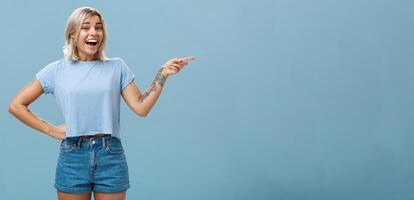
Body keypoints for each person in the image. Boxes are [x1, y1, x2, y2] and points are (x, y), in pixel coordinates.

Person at [8, 6, 195, 200]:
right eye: (85, 27)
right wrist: (50, 130)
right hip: (73, 155)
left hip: (110, 155)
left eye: (98, 27)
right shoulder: (56, 70)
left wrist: (162, 75)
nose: (93, 32)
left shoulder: (116, 67)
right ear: (72, 33)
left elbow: (141, 107)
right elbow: (16, 105)